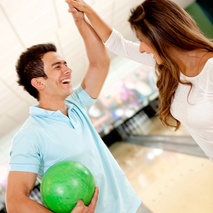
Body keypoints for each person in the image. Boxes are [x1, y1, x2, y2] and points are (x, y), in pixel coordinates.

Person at [5, 1, 152, 213]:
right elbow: (15, 202)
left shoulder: (75, 105)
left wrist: (80, 20)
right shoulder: (30, 136)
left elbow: (100, 63)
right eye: (57, 66)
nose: (68, 70)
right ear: (39, 83)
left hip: (132, 205)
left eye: (65, 64)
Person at [67, 0, 213, 161]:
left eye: (142, 40)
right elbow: (118, 44)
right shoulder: (169, 66)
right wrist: (85, 11)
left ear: (160, 35)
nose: (141, 48)